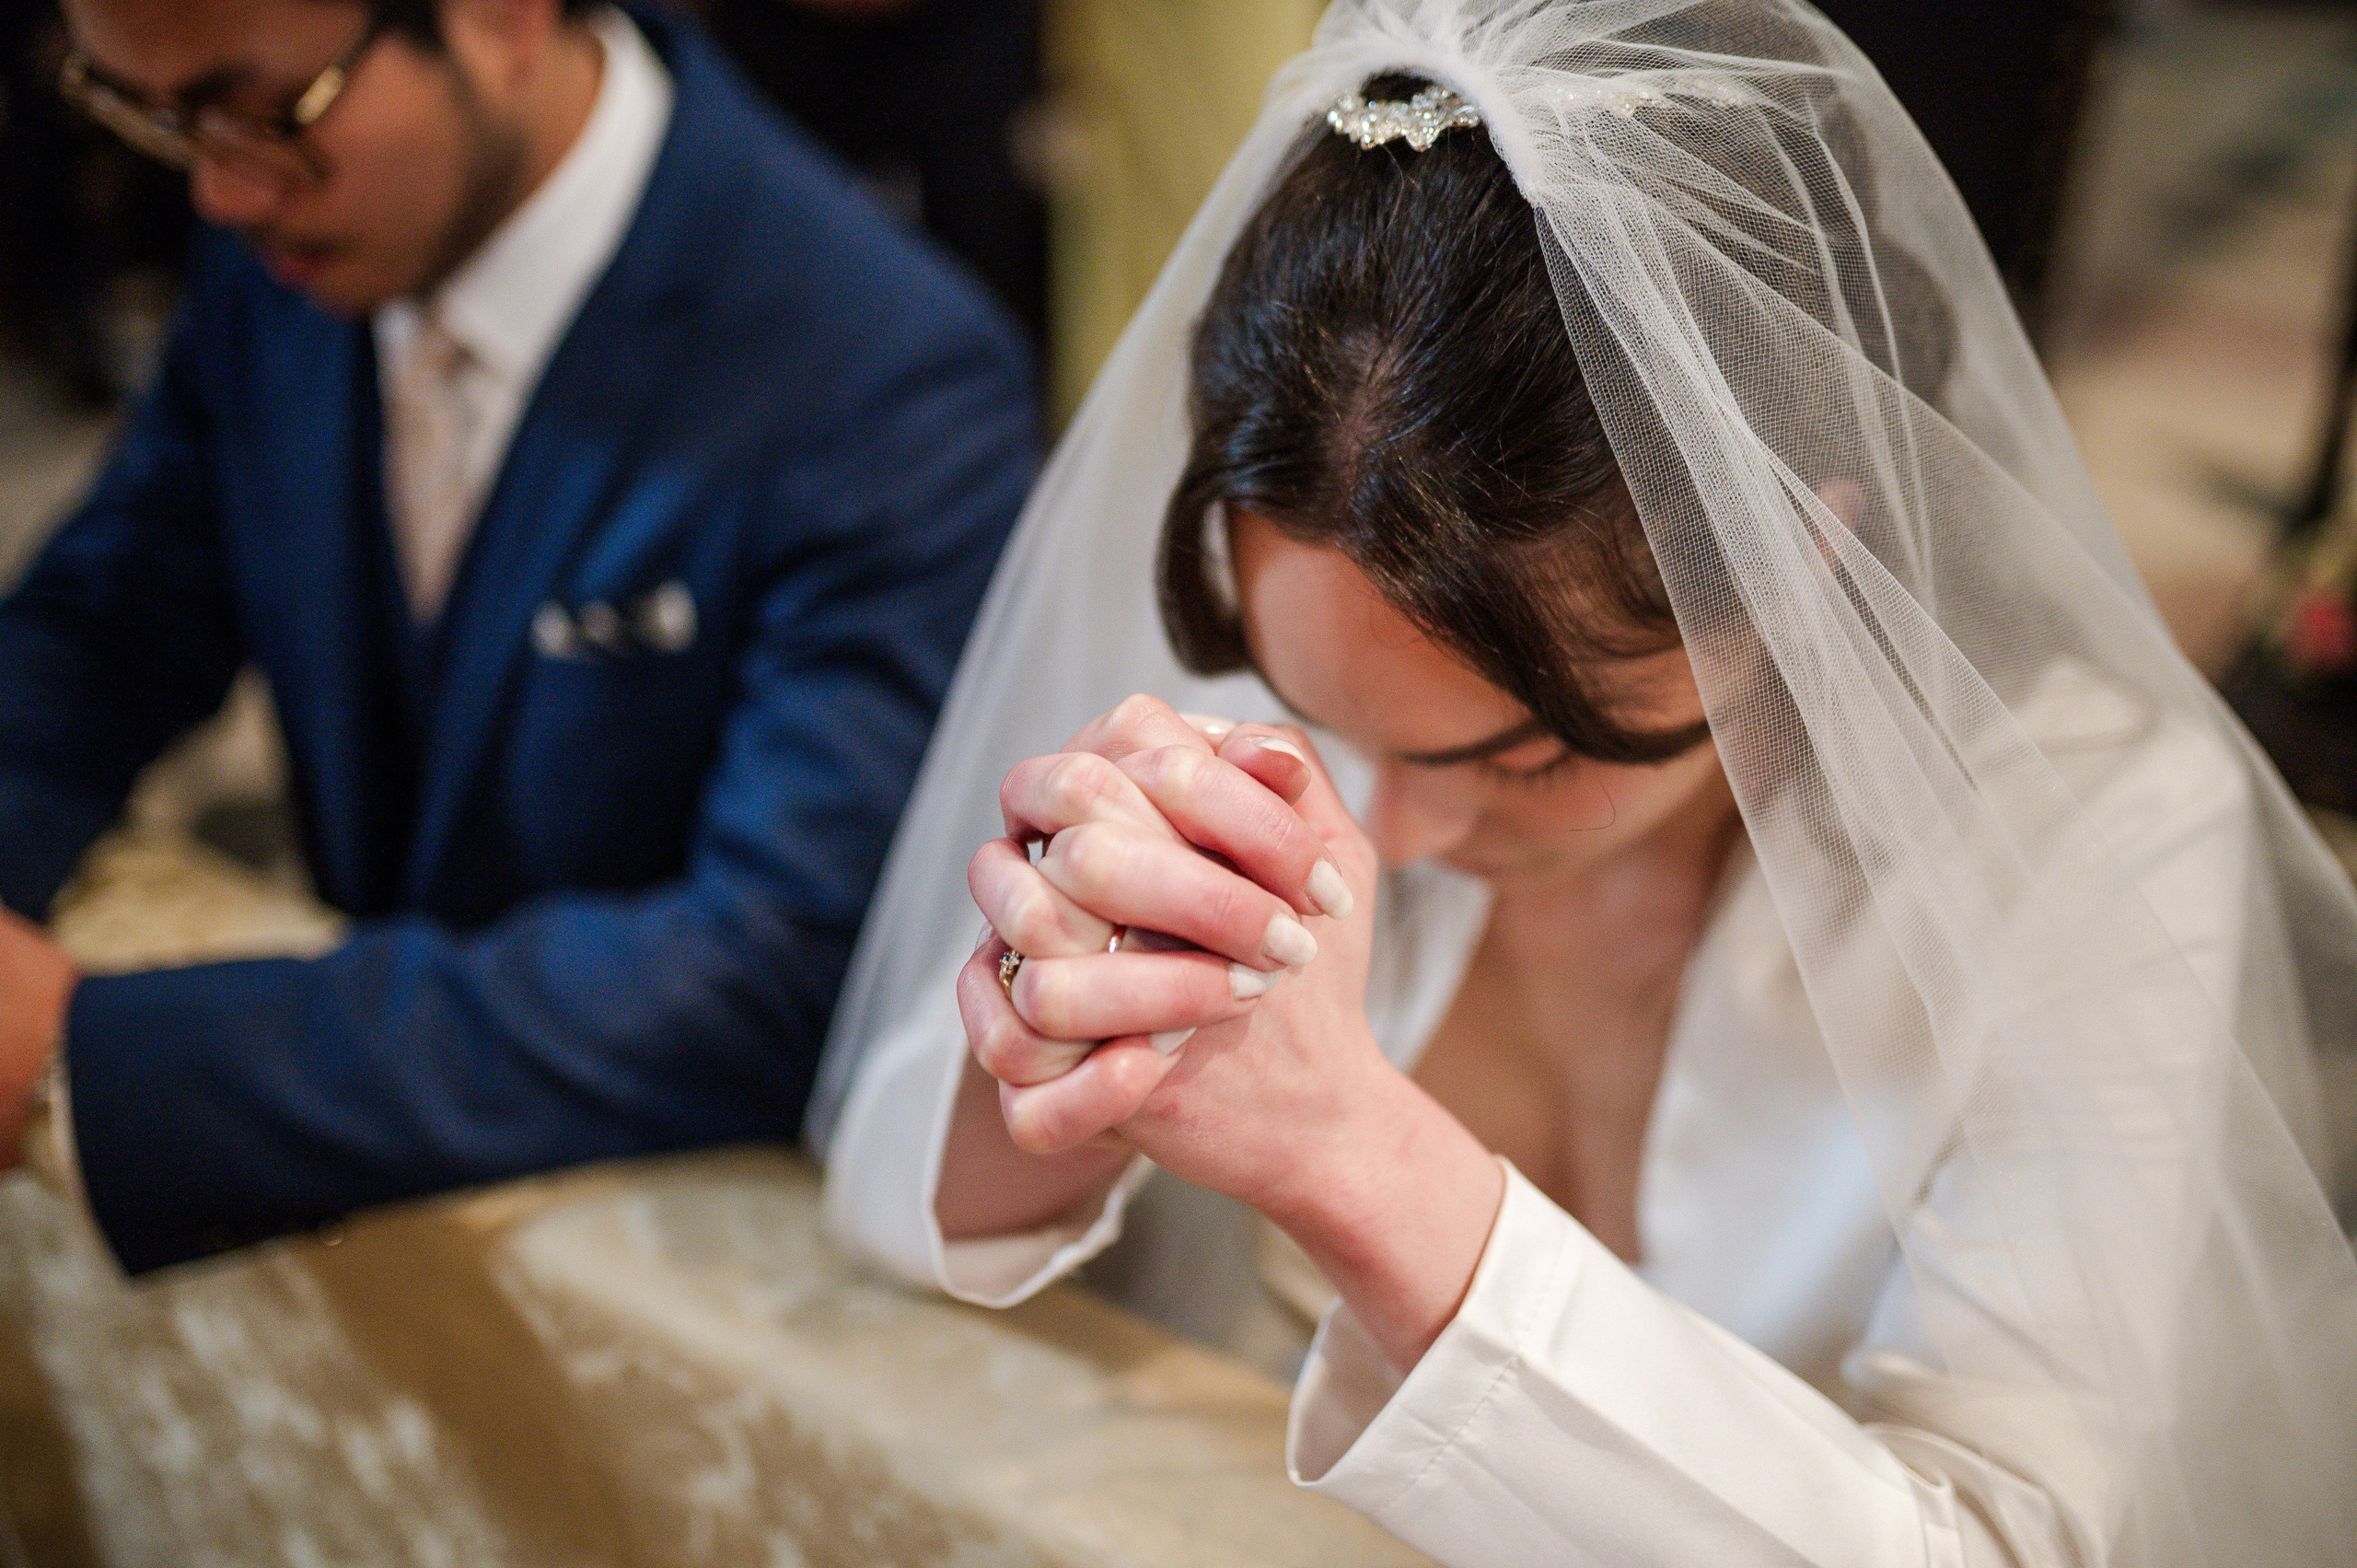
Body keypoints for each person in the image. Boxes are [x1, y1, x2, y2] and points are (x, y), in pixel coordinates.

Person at [817, 2, 2357, 1563]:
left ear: (1789, 551)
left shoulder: (2102, 840)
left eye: (1528, 753)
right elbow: (886, 1206)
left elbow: (2011, 1543)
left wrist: (1359, 1157)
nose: (1391, 827)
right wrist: (1052, 1049)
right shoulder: (1309, 626)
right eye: (1324, 717)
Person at [0, 0, 1035, 1274]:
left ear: (503, 16)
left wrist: (99, 1059)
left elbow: (765, 972)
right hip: (378, 1211)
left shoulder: (888, 376)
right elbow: (106, 621)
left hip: (685, 1264)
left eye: (265, 111)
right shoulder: (291, 242)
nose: (219, 194)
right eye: (154, 118)